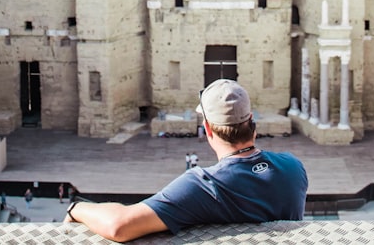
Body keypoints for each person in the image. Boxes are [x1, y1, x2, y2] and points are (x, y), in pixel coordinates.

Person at [64, 79, 308, 242]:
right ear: (251, 120)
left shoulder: (204, 185)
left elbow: (119, 226)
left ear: (208, 129)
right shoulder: (293, 168)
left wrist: (77, 208)